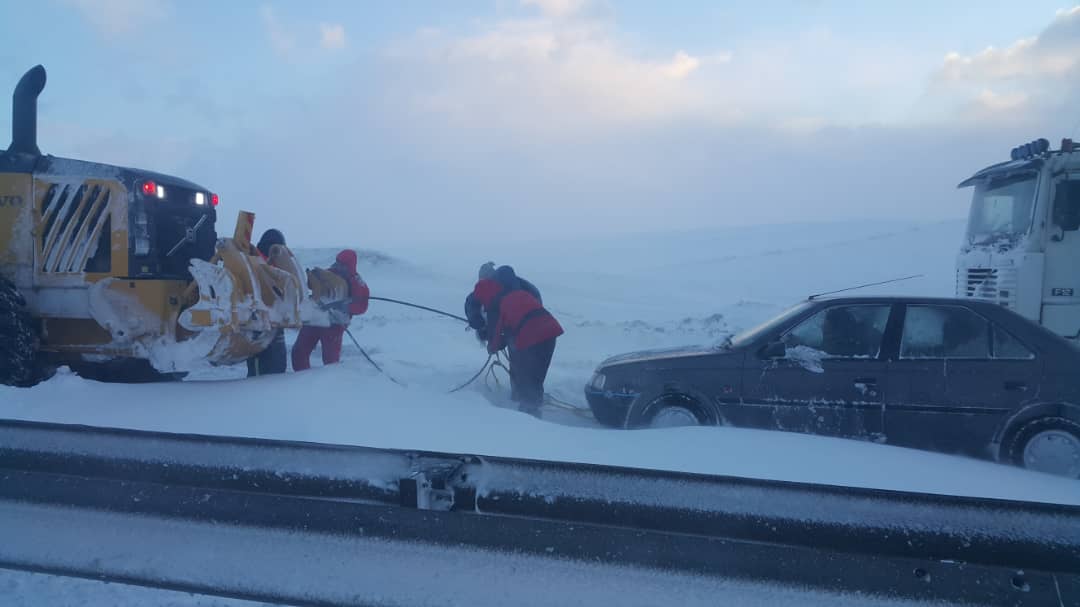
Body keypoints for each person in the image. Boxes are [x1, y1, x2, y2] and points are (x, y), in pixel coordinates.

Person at [471, 272, 563, 417]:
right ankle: (533, 406)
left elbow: (496, 335)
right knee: (536, 377)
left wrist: (491, 348)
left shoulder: (497, 304)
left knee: (526, 377)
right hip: (550, 333)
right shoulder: (517, 293)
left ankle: (527, 418)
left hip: (531, 338)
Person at [291, 249, 370, 371]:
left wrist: (346, 307)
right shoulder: (329, 273)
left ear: (351, 265)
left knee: (330, 359)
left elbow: (362, 306)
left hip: (335, 323)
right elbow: (311, 286)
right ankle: (301, 380)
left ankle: (331, 384)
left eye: (343, 264)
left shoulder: (358, 283)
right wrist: (313, 277)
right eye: (338, 263)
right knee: (299, 351)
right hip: (316, 317)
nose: (339, 267)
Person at [247, 229, 288, 377]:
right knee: (265, 364)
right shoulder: (258, 262)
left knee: (273, 363)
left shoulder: (255, 259)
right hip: (261, 322)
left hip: (271, 321)